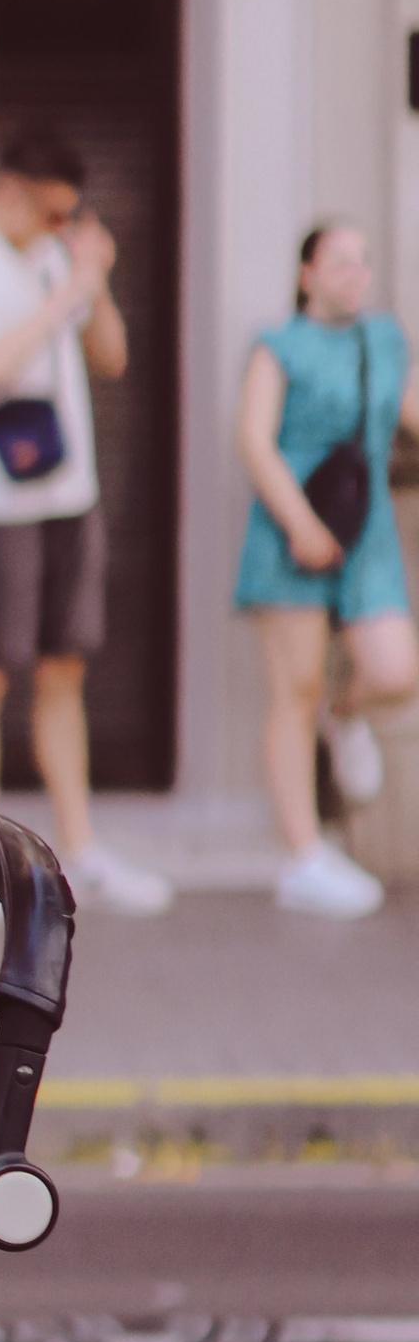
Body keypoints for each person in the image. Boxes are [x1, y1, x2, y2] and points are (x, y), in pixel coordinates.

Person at [0, 122, 171, 926]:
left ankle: (80, 848)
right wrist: (62, 295)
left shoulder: (59, 252)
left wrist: (92, 283)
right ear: (12, 191)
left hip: (70, 492)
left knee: (65, 670)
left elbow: (113, 356)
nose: (64, 228)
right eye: (53, 214)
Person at [234, 217, 419, 917]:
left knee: (397, 672)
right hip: (293, 526)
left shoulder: (383, 340)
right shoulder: (278, 346)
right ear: (307, 272)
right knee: (294, 687)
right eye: (339, 261)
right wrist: (301, 524)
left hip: (363, 528)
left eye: (362, 262)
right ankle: (303, 852)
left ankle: (345, 718)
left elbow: (408, 412)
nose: (354, 273)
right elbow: (254, 441)